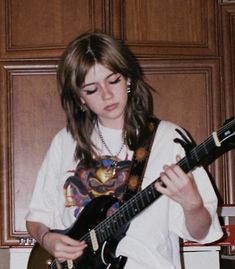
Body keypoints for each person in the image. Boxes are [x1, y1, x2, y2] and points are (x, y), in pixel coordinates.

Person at [25, 32, 223, 269]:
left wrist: (193, 204)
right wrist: (47, 239)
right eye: (91, 89)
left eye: (113, 80)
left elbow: (201, 233)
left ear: (128, 79)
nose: (106, 94)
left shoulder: (168, 139)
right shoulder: (65, 141)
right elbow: (37, 218)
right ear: (80, 99)